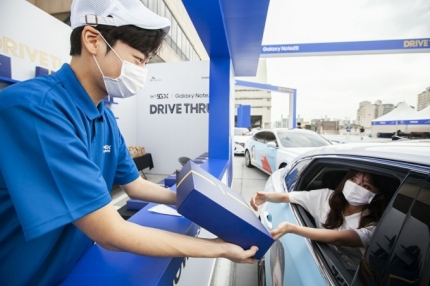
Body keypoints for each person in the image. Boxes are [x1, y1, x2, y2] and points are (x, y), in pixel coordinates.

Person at [0, 0, 257, 284]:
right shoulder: (35, 108)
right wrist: (217, 248)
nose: (143, 71)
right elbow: (111, 233)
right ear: (92, 40)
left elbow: (134, 185)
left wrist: (199, 200)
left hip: (75, 266)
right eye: (138, 59)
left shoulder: (104, 118)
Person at [250, 170, 384, 270]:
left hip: (349, 274)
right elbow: (289, 197)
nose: (355, 187)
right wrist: (266, 196)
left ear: (377, 196)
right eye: (354, 180)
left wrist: (291, 228)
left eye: (365, 186)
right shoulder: (327, 197)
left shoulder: (374, 226)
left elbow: (340, 238)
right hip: (319, 264)